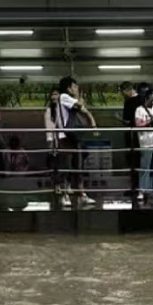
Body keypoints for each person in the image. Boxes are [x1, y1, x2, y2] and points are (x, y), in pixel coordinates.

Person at [59, 76, 95, 207]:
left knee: (78, 166)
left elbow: (85, 111)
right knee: (67, 166)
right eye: (74, 87)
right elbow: (80, 105)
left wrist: (92, 121)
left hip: (75, 136)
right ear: (68, 88)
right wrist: (79, 97)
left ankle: (81, 193)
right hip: (66, 137)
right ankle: (65, 195)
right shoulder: (63, 97)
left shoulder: (70, 99)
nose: (76, 89)